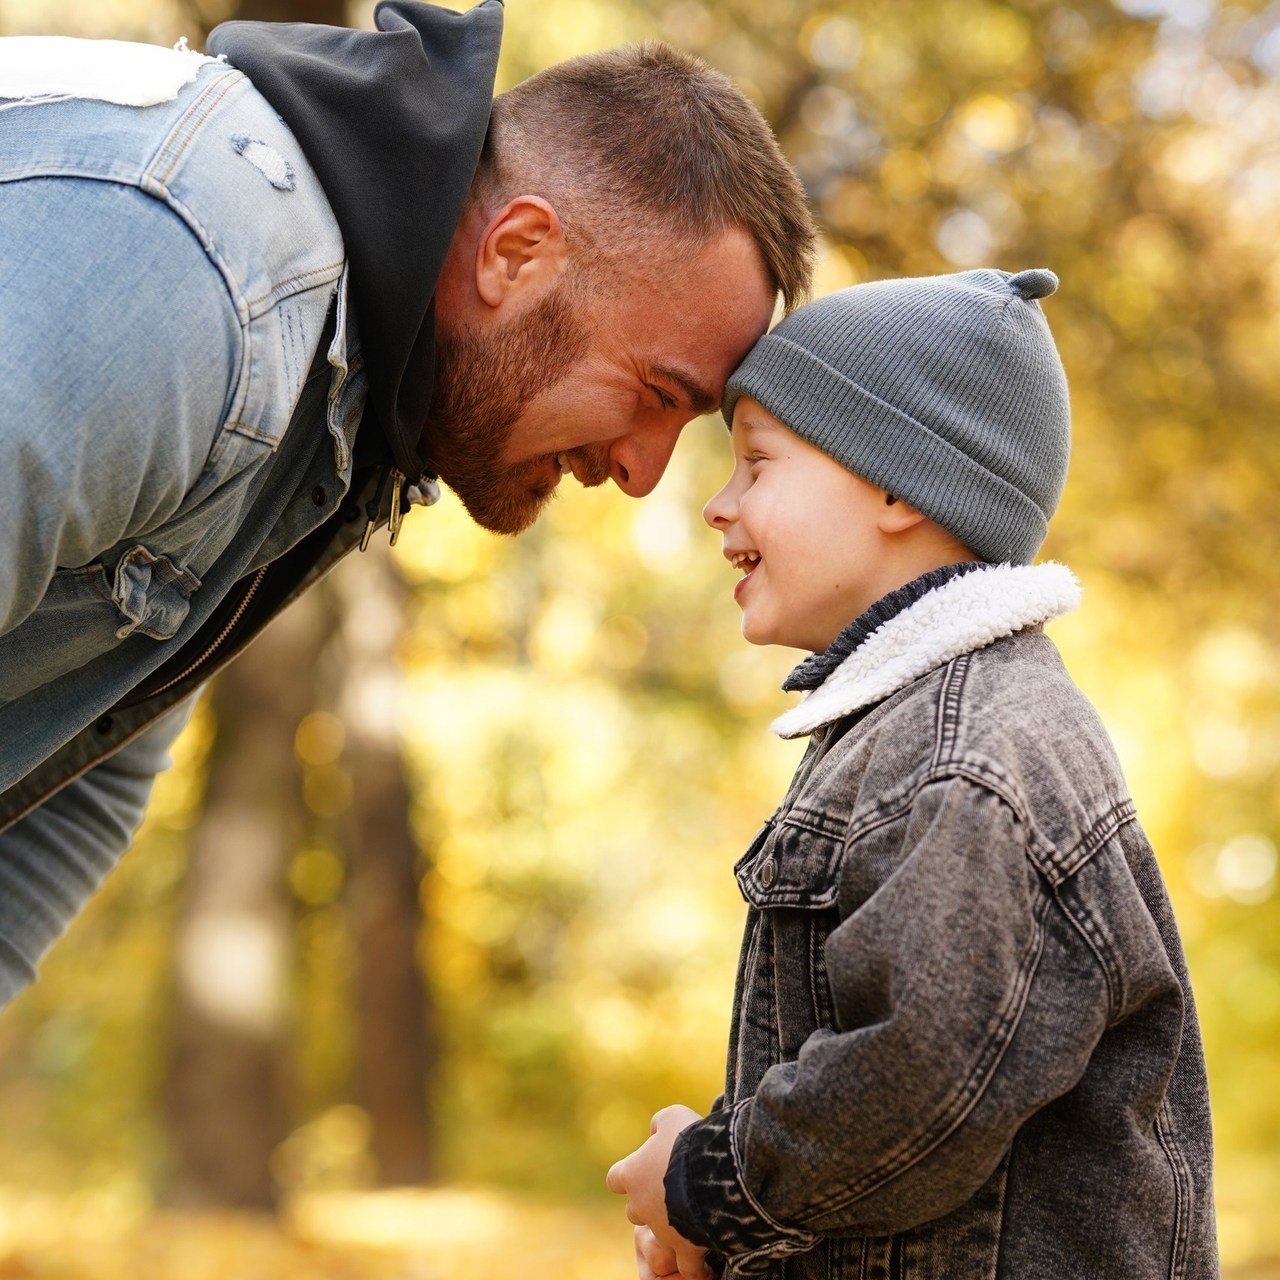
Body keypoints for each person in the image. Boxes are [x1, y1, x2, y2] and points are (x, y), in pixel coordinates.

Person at [0, 1, 816, 1005]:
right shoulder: (198, 277)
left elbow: (86, 756)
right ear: (515, 254)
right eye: (656, 395)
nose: (644, 473)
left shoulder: (336, 409)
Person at [606, 269, 1218, 1279]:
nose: (719, 504)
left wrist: (712, 1178)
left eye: (755, 464)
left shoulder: (971, 759)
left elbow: (921, 1075)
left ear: (896, 484)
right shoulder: (906, 729)